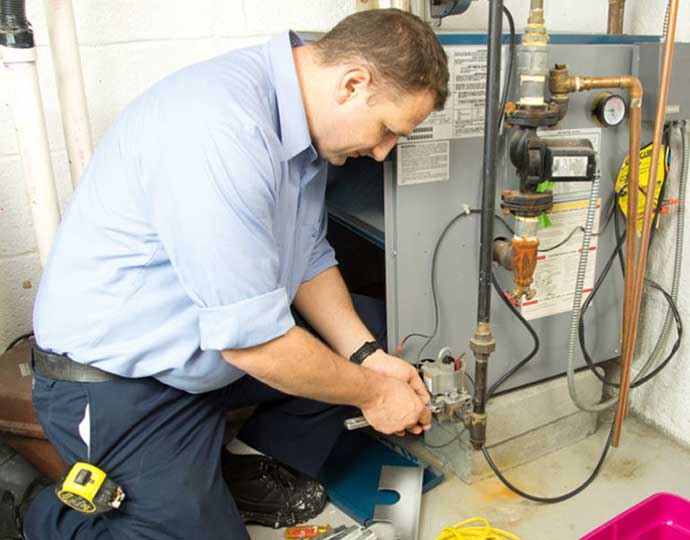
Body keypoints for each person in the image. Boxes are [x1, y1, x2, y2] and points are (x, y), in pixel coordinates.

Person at [24, 8, 449, 540]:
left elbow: (307, 256)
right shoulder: (221, 130)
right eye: (387, 130)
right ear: (352, 83)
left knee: (377, 329)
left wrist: (369, 360)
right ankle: (46, 519)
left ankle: (246, 470)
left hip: (207, 354)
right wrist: (374, 394)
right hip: (121, 382)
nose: (383, 151)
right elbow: (256, 346)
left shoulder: (304, 127)